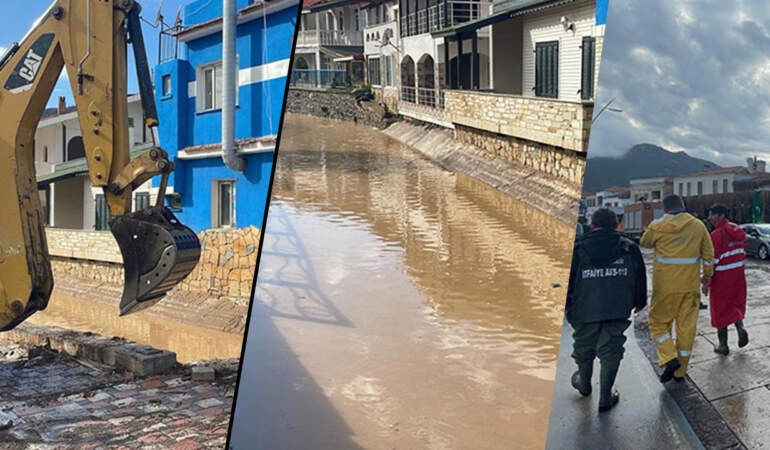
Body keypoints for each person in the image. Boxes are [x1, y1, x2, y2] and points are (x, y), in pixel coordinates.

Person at [566, 208, 647, 412]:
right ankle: (605, 397)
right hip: (617, 306)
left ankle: (584, 384)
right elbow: (640, 276)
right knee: (611, 348)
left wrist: (567, 306)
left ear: (593, 225)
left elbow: (568, 282)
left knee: (584, 345)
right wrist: (640, 301)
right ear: (616, 224)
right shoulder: (629, 247)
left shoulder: (577, 248)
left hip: (585, 307)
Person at [640, 195, 715, 383]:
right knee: (686, 328)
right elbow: (708, 254)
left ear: (665, 209)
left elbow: (645, 242)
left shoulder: (658, 226)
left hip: (664, 287)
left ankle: (668, 357)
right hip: (690, 288)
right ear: (683, 206)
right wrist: (707, 276)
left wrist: (651, 227)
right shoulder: (698, 225)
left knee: (658, 323)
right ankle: (680, 372)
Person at [704, 204, 749, 355]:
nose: (710, 218)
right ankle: (741, 329)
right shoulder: (739, 231)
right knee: (735, 305)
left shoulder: (716, 235)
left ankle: (723, 345)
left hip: (721, 279)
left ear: (720, 215)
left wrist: (706, 280)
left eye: (712, 215)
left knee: (720, 311)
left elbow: (712, 261)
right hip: (738, 276)